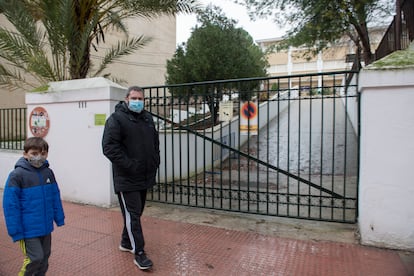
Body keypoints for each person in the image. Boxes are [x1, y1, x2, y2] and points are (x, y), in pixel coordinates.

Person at [102, 86, 160, 270]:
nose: (137, 101)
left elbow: (155, 143)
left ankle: (126, 242)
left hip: (145, 176)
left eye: (140, 98)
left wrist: (155, 161)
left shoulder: (147, 118)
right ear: (127, 99)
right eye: (134, 97)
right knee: (133, 215)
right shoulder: (116, 119)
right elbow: (109, 147)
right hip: (127, 178)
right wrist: (130, 165)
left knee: (136, 213)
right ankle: (139, 253)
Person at [3, 136, 65, 276]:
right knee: (35, 258)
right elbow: (10, 205)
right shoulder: (17, 175)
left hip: (45, 227)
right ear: (25, 154)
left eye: (43, 154)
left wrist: (59, 217)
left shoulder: (48, 173)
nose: (39, 157)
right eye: (34, 153)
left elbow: (55, 196)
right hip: (28, 230)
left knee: (44, 260)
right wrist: (15, 230)